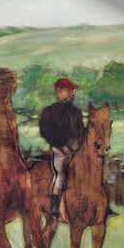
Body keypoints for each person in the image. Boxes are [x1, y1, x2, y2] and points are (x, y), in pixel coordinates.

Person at [38, 76, 86, 218]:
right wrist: (64, 147)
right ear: (59, 92)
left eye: (72, 91)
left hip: (76, 149)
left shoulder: (76, 112)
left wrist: (78, 144)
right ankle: (54, 204)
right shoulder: (49, 111)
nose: (71, 93)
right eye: (68, 90)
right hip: (58, 149)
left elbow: (81, 131)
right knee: (60, 174)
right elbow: (46, 132)